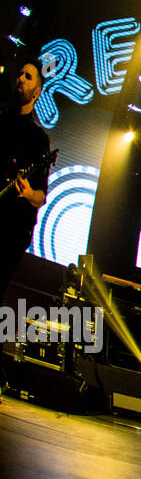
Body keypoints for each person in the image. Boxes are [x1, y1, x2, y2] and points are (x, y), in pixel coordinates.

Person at [1, 61, 50, 303]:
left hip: (10, 230)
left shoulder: (38, 140)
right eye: (19, 73)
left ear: (37, 92)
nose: (20, 78)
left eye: (28, 77)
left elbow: (41, 196)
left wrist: (29, 192)